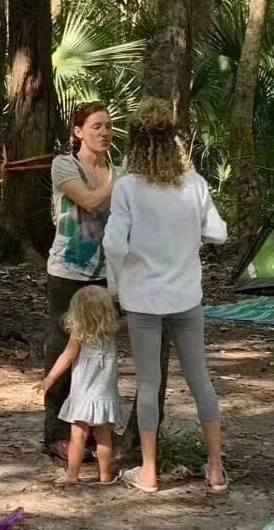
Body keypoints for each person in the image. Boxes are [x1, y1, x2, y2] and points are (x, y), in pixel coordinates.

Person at [103, 99, 228, 494]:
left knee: (148, 383)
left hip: (143, 298)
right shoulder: (194, 184)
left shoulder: (127, 188)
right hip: (186, 296)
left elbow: (113, 244)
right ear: (173, 140)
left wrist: (117, 281)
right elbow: (219, 233)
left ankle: (149, 472)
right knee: (199, 379)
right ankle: (216, 468)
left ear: (134, 142)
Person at [43, 101, 118, 462]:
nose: (104, 132)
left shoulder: (116, 172)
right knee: (65, 348)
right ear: (78, 132)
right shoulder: (64, 165)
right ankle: (56, 434)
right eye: (96, 126)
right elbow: (88, 201)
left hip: (105, 275)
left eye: (108, 126)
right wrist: (119, 184)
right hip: (67, 273)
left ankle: (90, 431)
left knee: (97, 354)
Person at [35, 285, 122, 485]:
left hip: (82, 395)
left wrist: (50, 378)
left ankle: (72, 476)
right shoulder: (111, 333)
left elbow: (67, 357)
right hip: (104, 395)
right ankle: (105, 476)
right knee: (104, 438)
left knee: (78, 436)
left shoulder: (79, 334)